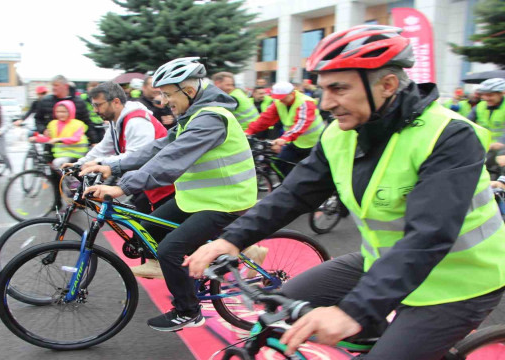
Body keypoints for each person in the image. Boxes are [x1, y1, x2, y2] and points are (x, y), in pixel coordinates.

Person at [185, 25, 505, 360]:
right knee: (286, 301)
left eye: (338, 88)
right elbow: (293, 194)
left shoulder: (449, 136)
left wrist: (353, 310)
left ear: (387, 85)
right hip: (383, 262)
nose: (327, 103)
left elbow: (429, 235)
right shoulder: (341, 133)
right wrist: (231, 239)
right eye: (321, 89)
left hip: (458, 279)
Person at [80, 57, 257, 332]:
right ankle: (212, 255)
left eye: (167, 93)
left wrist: (122, 187)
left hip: (226, 201)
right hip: (200, 198)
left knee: (169, 249)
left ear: (188, 90)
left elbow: (170, 161)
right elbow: (157, 148)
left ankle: (188, 310)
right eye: (161, 94)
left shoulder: (211, 119)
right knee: (146, 228)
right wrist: (110, 165)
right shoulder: (194, 116)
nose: (163, 101)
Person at [63, 81, 174, 217]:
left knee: (148, 230)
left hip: (163, 185)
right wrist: (79, 163)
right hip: (147, 182)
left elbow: (137, 155)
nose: (95, 110)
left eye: (98, 105)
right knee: (139, 224)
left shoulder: (136, 121)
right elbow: (103, 148)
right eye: (93, 105)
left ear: (116, 102)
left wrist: (100, 163)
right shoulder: (117, 121)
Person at [245, 81, 324, 175]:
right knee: (280, 163)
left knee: (313, 172)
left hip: (315, 143)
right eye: (278, 98)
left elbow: (301, 123)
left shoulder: (305, 102)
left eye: (283, 97)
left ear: (292, 93)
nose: (280, 100)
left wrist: (284, 138)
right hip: (296, 142)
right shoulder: (279, 102)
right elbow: (265, 118)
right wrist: (249, 131)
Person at [34, 75, 99, 143]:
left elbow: (87, 123)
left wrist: (94, 141)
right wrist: (43, 130)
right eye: (53, 85)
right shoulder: (45, 101)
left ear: (66, 86)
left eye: (56, 85)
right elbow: (38, 118)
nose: (53, 88)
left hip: (75, 146)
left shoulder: (79, 102)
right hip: (52, 145)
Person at [30, 100, 89, 170]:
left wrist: (59, 139)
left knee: (57, 163)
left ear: (70, 111)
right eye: (58, 112)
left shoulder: (77, 124)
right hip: (59, 155)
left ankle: (72, 181)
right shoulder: (53, 124)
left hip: (76, 155)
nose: (60, 114)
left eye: (63, 112)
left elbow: (76, 138)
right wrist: (37, 138)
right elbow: (49, 139)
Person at [467, 78, 505, 178]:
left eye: (490, 95)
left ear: (502, 93)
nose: (486, 98)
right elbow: (466, 124)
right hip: (483, 152)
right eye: (484, 95)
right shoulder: (479, 107)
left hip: (502, 154)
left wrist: (501, 144)